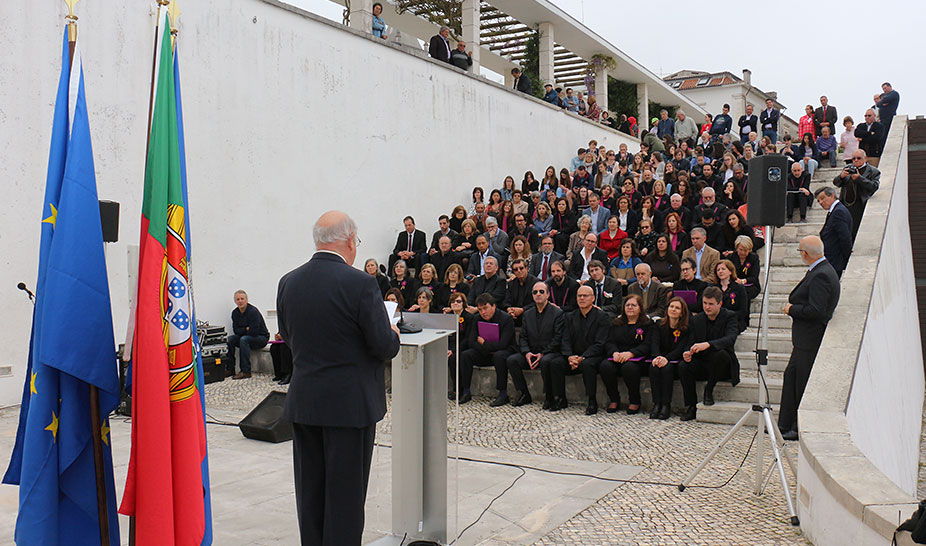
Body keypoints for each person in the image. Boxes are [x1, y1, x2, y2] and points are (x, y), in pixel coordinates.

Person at [276, 211, 400, 546]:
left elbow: (288, 335)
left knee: (310, 496)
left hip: (305, 402)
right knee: (345, 501)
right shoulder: (361, 283)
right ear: (349, 241)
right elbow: (382, 346)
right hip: (349, 408)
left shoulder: (288, 281)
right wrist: (392, 332)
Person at [778, 236, 841, 440]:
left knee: (801, 382)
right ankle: (784, 424)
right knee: (791, 377)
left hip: (810, 339)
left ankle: (797, 427)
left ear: (804, 254)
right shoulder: (820, 270)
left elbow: (816, 310)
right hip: (803, 340)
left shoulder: (821, 274)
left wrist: (792, 309)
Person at [678, 286, 740, 421]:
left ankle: (709, 390)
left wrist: (708, 344)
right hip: (702, 362)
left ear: (720, 303)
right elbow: (690, 340)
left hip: (722, 365)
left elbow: (730, 339)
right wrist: (687, 352)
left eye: (711, 304)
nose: (707, 307)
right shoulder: (696, 319)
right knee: (683, 366)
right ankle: (691, 405)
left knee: (720, 355)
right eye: (705, 303)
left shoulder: (730, 316)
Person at [505, 281, 566, 409]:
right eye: (535, 292)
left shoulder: (557, 313)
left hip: (550, 352)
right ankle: (524, 393)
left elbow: (558, 338)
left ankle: (550, 396)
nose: (538, 294)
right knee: (512, 360)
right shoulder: (527, 314)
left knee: (546, 361)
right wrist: (527, 352)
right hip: (531, 352)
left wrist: (542, 353)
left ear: (548, 295)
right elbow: (523, 337)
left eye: (541, 292)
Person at [555, 285, 609, 414]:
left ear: (593, 298)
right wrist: (569, 356)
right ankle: (560, 398)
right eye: (579, 296)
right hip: (574, 356)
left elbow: (600, 343)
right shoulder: (569, 316)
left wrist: (582, 357)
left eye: (585, 296)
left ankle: (592, 401)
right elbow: (565, 339)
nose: (582, 298)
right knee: (555, 363)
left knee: (587, 365)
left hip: (593, 356)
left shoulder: (602, 317)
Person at [460, 293, 517, 406]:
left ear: (494, 306)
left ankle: (502, 394)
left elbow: (503, 344)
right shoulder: (477, 318)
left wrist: (484, 343)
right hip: (484, 352)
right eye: (480, 309)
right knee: (466, 355)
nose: (483, 312)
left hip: (504, 352)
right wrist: (485, 348)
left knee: (499, 356)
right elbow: (471, 342)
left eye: (485, 308)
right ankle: (465, 391)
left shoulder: (506, 319)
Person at [600, 294, 653, 414]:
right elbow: (609, 341)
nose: (630, 307)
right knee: (605, 366)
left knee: (629, 368)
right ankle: (614, 399)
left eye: (633, 305)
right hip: (618, 357)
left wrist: (631, 353)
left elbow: (647, 344)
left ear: (640, 308)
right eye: (627, 305)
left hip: (638, 359)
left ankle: (635, 400)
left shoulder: (647, 324)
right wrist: (614, 352)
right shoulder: (616, 323)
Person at [649, 297, 691, 420]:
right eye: (671, 307)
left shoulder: (686, 328)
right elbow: (654, 343)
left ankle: (666, 405)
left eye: (677, 308)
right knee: (653, 368)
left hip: (674, 360)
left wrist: (666, 358)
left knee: (667, 369)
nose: (673, 309)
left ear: (682, 313)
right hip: (660, 358)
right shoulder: (658, 325)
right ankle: (656, 404)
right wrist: (657, 357)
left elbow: (681, 348)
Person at [834, 150, 880, 241]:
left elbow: (874, 187)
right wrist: (841, 176)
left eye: (859, 158)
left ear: (865, 158)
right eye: (853, 159)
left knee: (855, 230)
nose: (856, 160)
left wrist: (859, 178)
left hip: (860, 205)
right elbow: (836, 183)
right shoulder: (847, 168)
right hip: (846, 204)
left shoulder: (873, 171)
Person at [226, 290, 270, 380]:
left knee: (244, 339)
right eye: (238, 299)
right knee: (230, 339)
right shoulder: (235, 313)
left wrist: (242, 330)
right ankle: (230, 368)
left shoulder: (253, 312)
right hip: (247, 337)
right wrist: (246, 329)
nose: (240, 301)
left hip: (261, 337)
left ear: (246, 300)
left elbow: (254, 331)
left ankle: (246, 371)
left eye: (242, 299)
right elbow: (236, 331)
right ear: (235, 301)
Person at [815, 187, 853, 277]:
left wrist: (846, 259)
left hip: (836, 262)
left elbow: (845, 237)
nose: (821, 202)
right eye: (818, 201)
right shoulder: (834, 211)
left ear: (832, 196)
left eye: (823, 198)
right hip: (833, 261)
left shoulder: (838, 211)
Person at [446, 292, 474, 402]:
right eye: (453, 301)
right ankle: (456, 389)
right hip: (450, 347)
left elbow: (468, 338)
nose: (455, 303)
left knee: (456, 358)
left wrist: (453, 350)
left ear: (463, 303)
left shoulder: (469, 318)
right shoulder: (448, 317)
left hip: (464, 347)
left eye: (458, 301)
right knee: (451, 358)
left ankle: (464, 390)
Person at [715, 259, 748, 332]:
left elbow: (743, 311)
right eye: (718, 270)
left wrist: (728, 317)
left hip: (734, 321)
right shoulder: (713, 288)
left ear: (730, 271)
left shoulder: (739, 288)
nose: (720, 271)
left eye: (723, 269)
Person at [503, 258, 539, 325]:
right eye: (516, 269)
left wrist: (522, 310)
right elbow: (506, 301)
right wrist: (509, 309)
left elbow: (537, 302)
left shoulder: (536, 283)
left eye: (521, 268)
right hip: (514, 316)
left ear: (527, 269)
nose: (519, 271)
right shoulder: (511, 284)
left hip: (531, 316)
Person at [730, 235, 761, 300]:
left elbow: (754, 277)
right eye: (741, 250)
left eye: (746, 250)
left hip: (750, 285)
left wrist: (743, 281)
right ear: (736, 248)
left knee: (744, 292)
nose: (743, 253)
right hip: (734, 284)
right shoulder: (731, 257)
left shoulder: (754, 258)